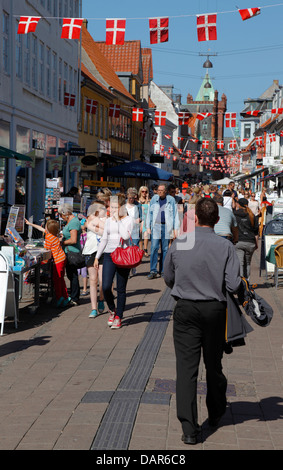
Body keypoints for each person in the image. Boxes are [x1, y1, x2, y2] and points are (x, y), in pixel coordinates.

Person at [164, 198, 241, 445]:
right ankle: (216, 411)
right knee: (213, 363)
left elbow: (168, 278)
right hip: (214, 310)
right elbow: (233, 284)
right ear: (217, 221)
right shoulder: (225, 246)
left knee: (186, 370)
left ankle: (189, 428)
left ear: (194, 218)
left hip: (185, 309)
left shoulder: (180, 243)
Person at [94, 194, 134, 329]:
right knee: (105, 286)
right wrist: (97, 257)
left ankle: (119, 317)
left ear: (122, 207)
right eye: (111, 207)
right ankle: (112, 309)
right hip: (109, 255)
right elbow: (104, 238)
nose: (112, 210)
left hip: (123, 256)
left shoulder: (128, 220)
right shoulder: (109, 221)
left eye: (115, 207)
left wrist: (118, 220)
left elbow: (125, 236)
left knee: (121, 288)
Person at [24, 218, 70, 308]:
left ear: (48, 229)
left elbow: (47, 249)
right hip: (62, 258)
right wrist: (30, 224)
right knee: (61, 279)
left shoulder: (48, 237)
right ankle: (65, 297)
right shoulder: (53, 234)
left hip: (58, 260)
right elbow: (40, 229)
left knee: (56, 279)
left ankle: (60, 297)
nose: (44, 227)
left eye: (46, 226)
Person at [146, 184, 179, 279]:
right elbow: (149, 213)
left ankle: (164, 271)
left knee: (165, 249)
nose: (159, 192)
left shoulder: (171, 200)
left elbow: (175, 215)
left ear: (165, 191)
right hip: (156, 226)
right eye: (158, 190)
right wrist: (148, 227)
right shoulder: (154, 199)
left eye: (161, 190)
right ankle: (153, 270)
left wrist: (175, 229)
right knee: (154, 248)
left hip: (166, 226)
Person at [83, 202, 106, 318]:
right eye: (102, 209)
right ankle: (93, 308)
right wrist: (97, 227)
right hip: (90, 251)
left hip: (103, 251)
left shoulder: (107, 219)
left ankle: (101, 299)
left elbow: (106, 230)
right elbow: (104, 230)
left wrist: (94, 227)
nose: (105, 210)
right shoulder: (91, 217)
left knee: (102, 280)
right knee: (93, 279)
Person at [58, 203, 82, 306]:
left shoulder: (73, 223)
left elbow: (73, 239)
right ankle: (74, 295)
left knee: (73, 275)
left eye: (61, 215)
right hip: (69, 251)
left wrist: (61, 242)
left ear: (65, 213)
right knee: (71, 274)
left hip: (72, 252)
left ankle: (74, 297)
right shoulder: (71, 221)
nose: (60, 217)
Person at [233, 198, 259, 281]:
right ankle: (247, 282)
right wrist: (256, 244)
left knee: (240, 263)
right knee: (248, 263)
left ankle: (241, 283)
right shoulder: (252, 215)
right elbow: (256, 232)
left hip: (238, 241)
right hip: (250, 242)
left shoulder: (234, 214)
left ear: (238, 204)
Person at [138, 186, 150, 257]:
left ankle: (145, 250)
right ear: (140, 192)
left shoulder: (149, 200)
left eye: (146, 191)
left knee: (146, 235)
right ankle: (141, 250)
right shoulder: (138, 201)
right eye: (143, 191)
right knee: (140, 237)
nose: (144, 193)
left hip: (147, 219)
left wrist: (147, 199)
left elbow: (149, 208)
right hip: (140, 219)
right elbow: (142, 208)